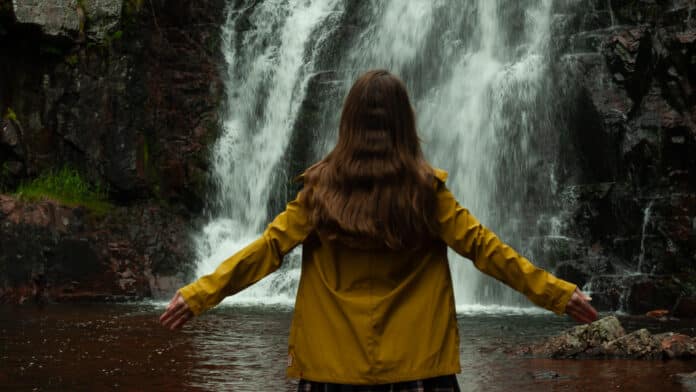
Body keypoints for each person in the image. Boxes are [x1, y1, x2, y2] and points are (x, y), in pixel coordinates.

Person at [159, 69, 598, 391]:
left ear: (346, 123)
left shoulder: (319, 192)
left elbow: (268, 250)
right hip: (419, 372)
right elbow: (485, 249)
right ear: (404, 123)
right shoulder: (426, 193)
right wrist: (557, 293)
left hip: (330, 373)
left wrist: (199, 295)